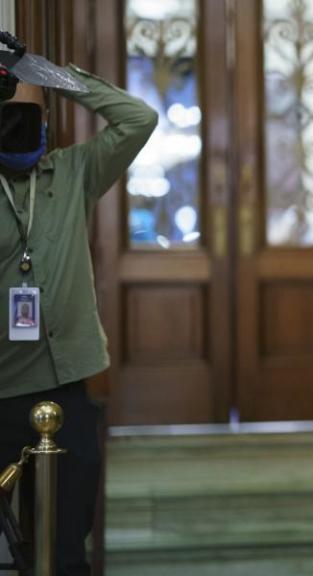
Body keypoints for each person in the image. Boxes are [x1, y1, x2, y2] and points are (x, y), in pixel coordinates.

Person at [0, 65, 157, 575]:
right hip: (1, 385)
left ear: (47, 119)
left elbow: (138, 119)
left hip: (66, 380)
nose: (16, 126)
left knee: (67, 544)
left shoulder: (72, 172)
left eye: (27, 114)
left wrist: (44, 71)